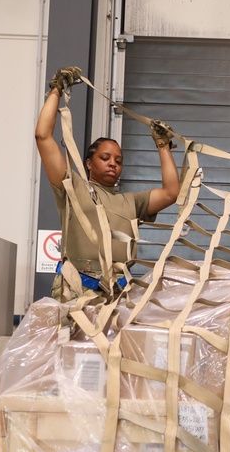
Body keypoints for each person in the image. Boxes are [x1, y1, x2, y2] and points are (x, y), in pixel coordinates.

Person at [35, 66, 181, 300]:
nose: (113, 164)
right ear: (89, 163)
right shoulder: (73, 188)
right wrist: (56, 90)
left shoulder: (132, 202)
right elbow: (43, 136)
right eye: (105, 158)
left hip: (118, 294)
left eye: (118, 161)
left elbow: (172, 192)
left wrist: (163, 146)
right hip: (75, 291)